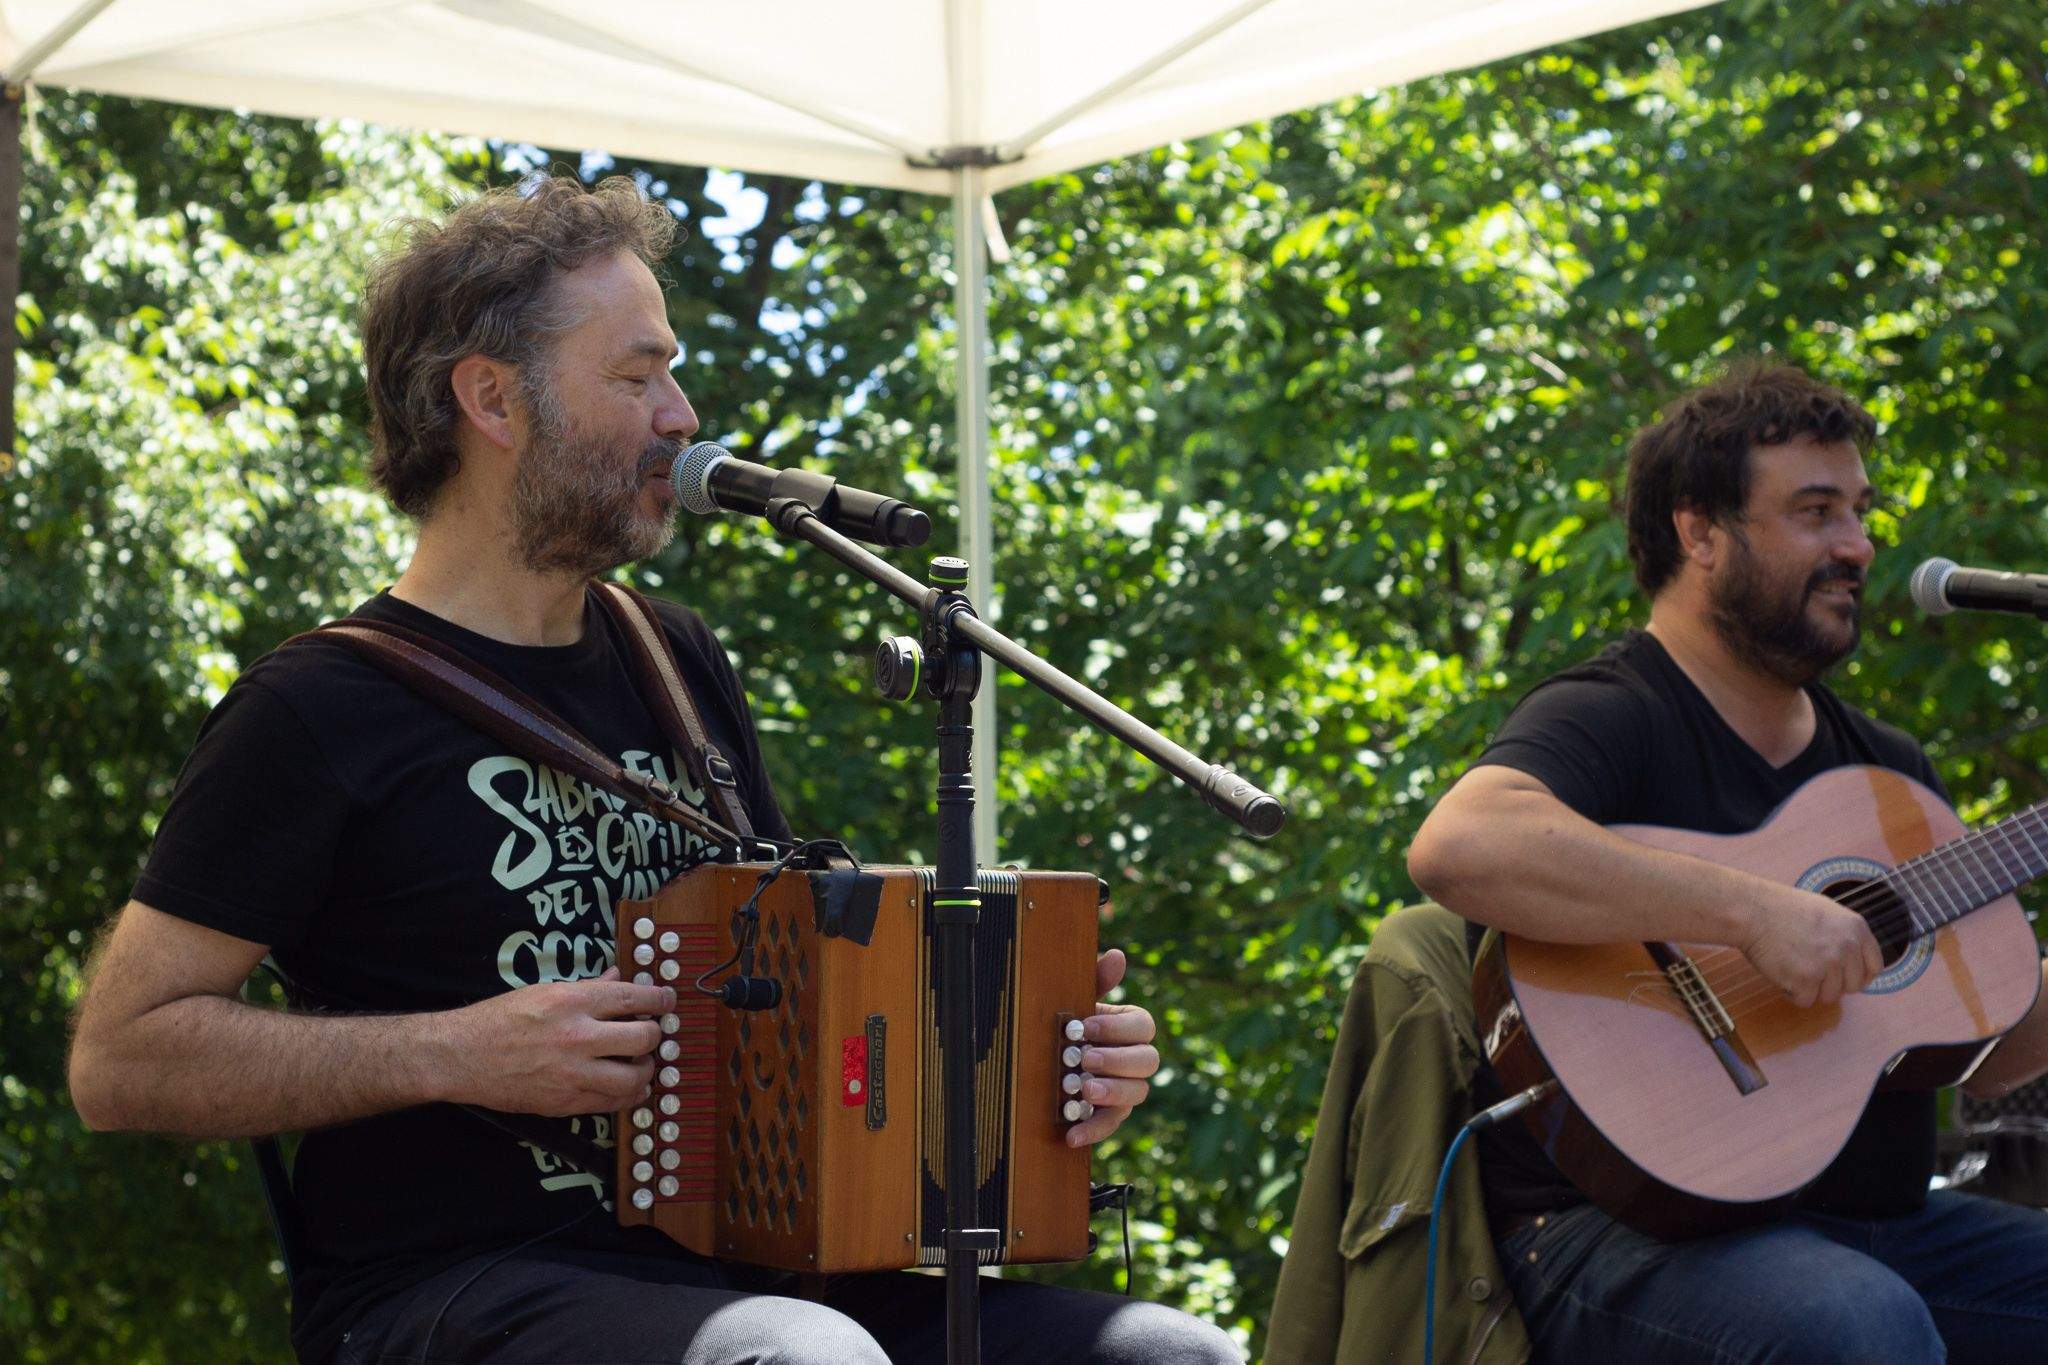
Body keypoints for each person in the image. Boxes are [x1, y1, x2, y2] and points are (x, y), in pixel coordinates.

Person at [66, 175, 1241, 1365]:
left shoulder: (672, 657)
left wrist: (1031, 1062)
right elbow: (121, 1059)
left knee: (1166, 1354)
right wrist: (454, 1050)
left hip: (760, 1261)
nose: (680, 416)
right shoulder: (318, 706)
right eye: (634, 377)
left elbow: (796, 985)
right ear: (491, 398)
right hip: (452, 1286)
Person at [1406, 361, 2048, 1364]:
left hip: (1883, 1232)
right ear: (1697, 531)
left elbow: (1992, 1049)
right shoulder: (1613, 711)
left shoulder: (1887, 773)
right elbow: (1458, 845)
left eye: (1859, 512)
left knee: (1870, 1305)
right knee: (1854, 1326)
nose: (1855, 546)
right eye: (1814, 511)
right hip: (1619, 1234)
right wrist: (1752, 915)